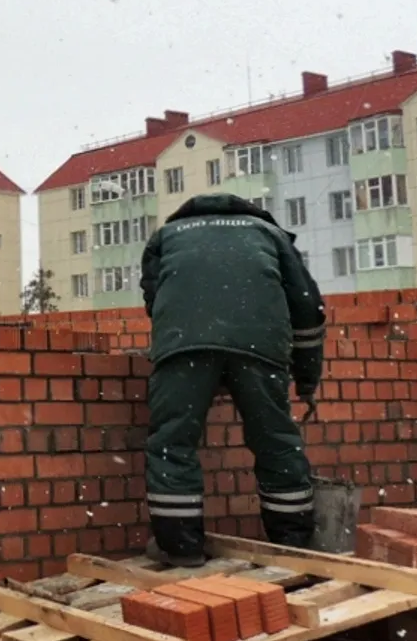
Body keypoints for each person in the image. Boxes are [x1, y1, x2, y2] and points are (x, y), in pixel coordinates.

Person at [139, 193, 326, 568]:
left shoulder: (168, 234)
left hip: (183, 348)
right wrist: (306, 380)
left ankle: (180, 549)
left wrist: (196, 344)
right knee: (276, 443)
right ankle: (292, 544)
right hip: (260, 349)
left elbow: (154, 296)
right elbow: (307, 308)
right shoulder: (269, 234)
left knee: (172, 444)